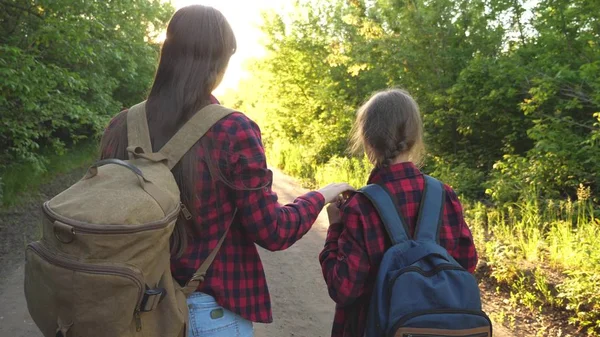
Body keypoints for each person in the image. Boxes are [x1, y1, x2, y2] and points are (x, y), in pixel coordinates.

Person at [99, 5, 354, 337]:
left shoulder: (120, 126)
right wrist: (320, 196)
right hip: (206, 314)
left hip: (128, 311)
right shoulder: (232, 129)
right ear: (217, 62)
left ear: (168, 53)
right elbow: (272, 231)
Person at [319, 89, 478, 337]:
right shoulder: (444, 195)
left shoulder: (360, 206)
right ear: (414, 138)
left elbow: (343, 289)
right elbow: (466, 263)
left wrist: (335, 228)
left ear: (367, 140)